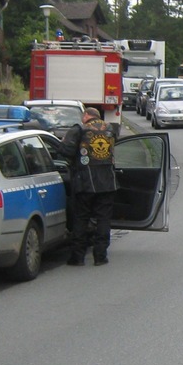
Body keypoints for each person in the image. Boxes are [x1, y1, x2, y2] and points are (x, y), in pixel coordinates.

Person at [60, 106, 116, 266]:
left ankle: (77, 257)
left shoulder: (79, 129)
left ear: (86, 115)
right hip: (107, 182)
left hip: (85, 182)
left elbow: (66, 151)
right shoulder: (111, 129)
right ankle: (100, 256)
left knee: (81, 219)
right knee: (103, 219)